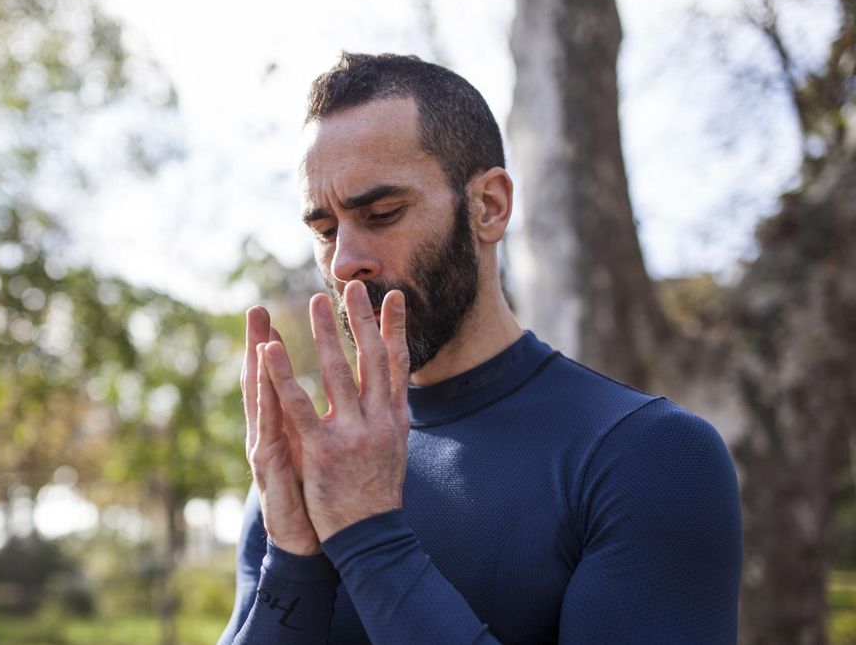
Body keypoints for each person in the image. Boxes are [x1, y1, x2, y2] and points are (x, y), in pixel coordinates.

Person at [217, 52, 742, 644]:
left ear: (488, 206)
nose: (343, 263)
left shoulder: (649, 455)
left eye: (382, 213)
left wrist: (370, 537)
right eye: (325, 231)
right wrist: (293, 560)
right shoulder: (314, 460)